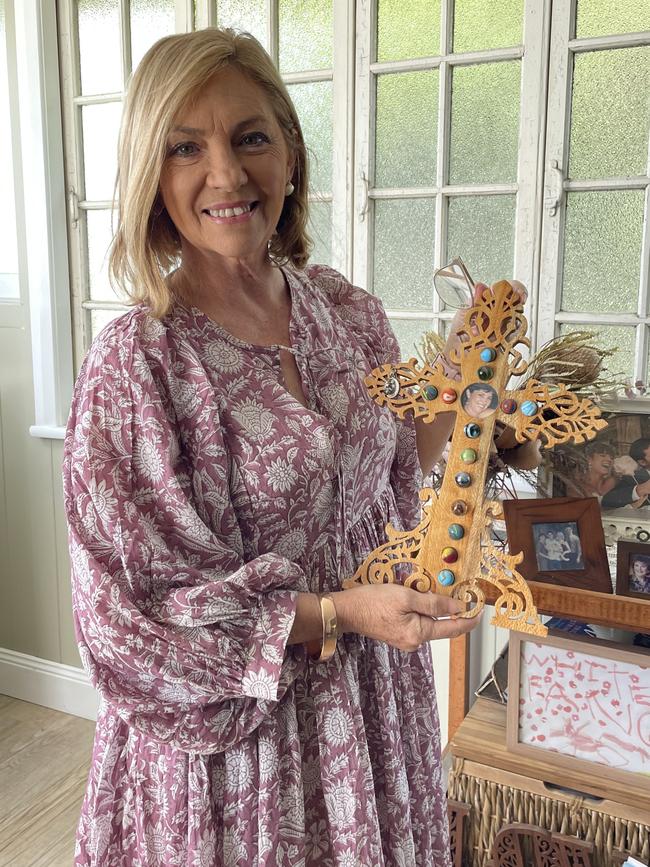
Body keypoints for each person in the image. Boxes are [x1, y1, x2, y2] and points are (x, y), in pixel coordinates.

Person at [62, 28, 484, 867]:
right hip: (236, 754)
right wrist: (336, 613)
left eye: (250, 136)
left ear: (288, 149)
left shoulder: (347, 313)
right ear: (152, 172)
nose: (226, 173)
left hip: (370, 711)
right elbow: (125, 623)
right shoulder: (137, 364)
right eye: (187, 147)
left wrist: (469, 387)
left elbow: (389, 469)